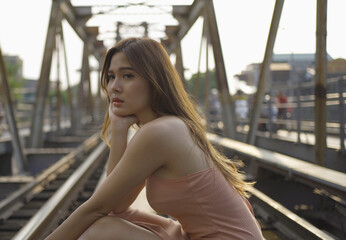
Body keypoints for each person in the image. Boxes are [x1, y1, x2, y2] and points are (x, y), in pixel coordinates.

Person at [45, 38, 263, 240]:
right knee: (113, 220)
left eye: (127, 75)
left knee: (100, 230)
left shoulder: (160, 132)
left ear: (154, 80)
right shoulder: (167, 126)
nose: (114, 87)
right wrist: (119, 130)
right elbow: (117, 205)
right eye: (111, 76)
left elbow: (96, 207)